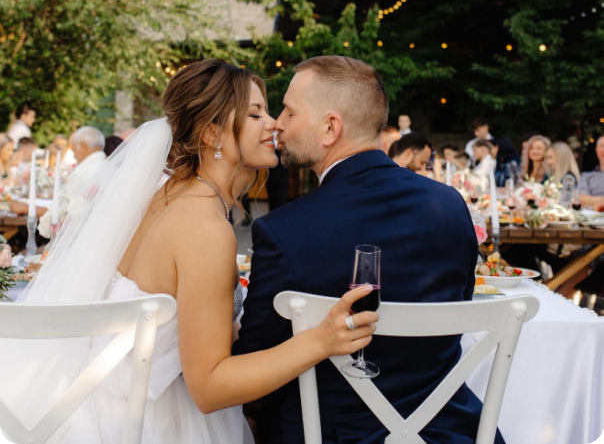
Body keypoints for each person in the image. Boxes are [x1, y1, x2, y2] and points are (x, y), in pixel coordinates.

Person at [0, 59, 377, 444]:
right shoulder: (205, 229)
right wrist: (320, 340)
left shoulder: (165, 196)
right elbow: (209, 388)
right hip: (149, 424)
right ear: (212, 133)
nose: (274, 124)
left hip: (97, 404)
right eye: (255, 114)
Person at [235, 55, 503, 444]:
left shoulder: (285, 231)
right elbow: (456, 312)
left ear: (330, 127)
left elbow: (254, 366)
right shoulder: (449, 205)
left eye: (290, 111)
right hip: (451, 431)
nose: (278, 122)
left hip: (333, 433)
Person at [64, 126, 107, 194]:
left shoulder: (80, 173)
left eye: (73, 148)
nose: (74, 156)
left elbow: (64, 198)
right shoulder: (112, 167)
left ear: (83, 146)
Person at [578, 136, 604, 209]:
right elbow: (581, 198)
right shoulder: (586, 176)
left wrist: (591, 200)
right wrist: (601, 201)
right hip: (591, 214)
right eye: (602, 146)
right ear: (597, 150)